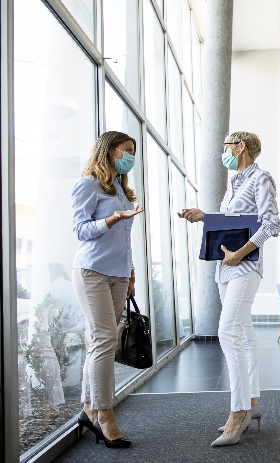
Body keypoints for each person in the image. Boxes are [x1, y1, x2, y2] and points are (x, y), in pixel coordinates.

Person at [178, 131, 280, 447]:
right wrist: (205, 216)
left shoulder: (261, 178)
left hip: (244, 266)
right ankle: (251, 402)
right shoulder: (234, 181)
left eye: (226, 147)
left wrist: (241, 252)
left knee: (228, 331)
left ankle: (237, 412)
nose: (223, 152)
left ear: (241, 147)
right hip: (225, 268)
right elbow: (236, 219)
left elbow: (272, 223)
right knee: (244, 332)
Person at [71, 131, 144, 449]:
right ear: (109, 150)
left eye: (133, 152)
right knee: (104, 341)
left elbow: (124, 241)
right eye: (126, 150)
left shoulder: (121, 190)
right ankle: (105, 415)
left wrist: (130, 275)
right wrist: (112, 219)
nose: (130, 156)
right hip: (91, 272)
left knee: (100, 342)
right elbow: (80, 230)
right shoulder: (88, 183)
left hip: (116, 275)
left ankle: (88, 409)